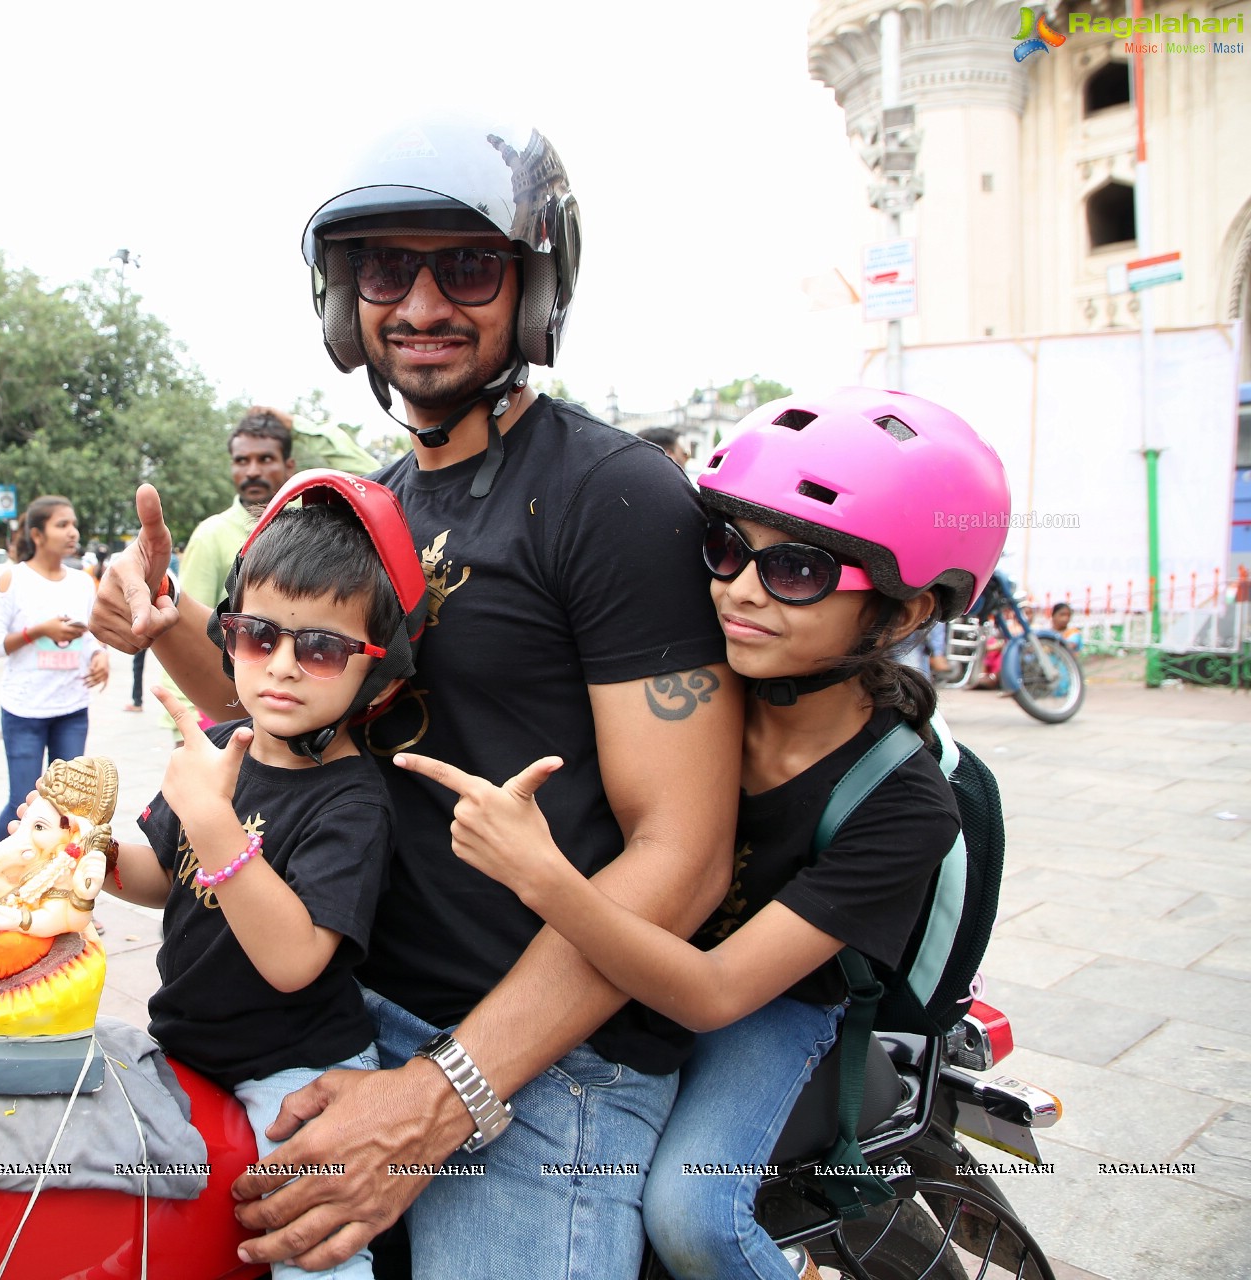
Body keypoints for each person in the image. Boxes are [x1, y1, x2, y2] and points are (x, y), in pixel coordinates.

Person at [93, 122, 741, 1278]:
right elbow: (291, 703)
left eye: (469, 267)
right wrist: (176, 631)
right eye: (388, 269)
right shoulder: (372, 504)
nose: (423, 302)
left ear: (536, 286)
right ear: (347, 300)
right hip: (348, 1007)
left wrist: (450, 1091)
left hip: (551, 1054)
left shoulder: (615, 497)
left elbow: (682, 855)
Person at [403, 386, 1006, 1280]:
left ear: (907, 610)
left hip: (769, 1001)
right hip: (638, 957)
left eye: (797, 571)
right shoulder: (707, 688)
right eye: (725, 551)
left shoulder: (904, 802)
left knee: (693, 1211)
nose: (740, 592)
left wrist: (545, 879)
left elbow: (716, 993)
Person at [103, 474, 424, 1280]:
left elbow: (294, 958)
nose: (281, 667)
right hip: (187, 1043)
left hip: (296, 1072)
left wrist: (215, 825)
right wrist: (94, 858)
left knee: (315, 1256)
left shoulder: (353, 800)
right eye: (257, 636)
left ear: (375, 673)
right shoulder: (220, 750)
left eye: (320, 648)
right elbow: (163, 878)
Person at [156, 408, 299, 728]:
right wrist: (183, 723)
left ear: (289, 466)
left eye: (265, 459)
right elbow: (175, 624)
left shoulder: (311, 527)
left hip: (295, 708)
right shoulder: (211, 535)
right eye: (241, 461)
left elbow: (377, 477)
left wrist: (299, 425)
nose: (252, 471)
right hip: (220, 710)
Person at [0, 495, 109, 844]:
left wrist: (101, 655)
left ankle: (49, 881)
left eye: (73, 524)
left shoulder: (83, 582)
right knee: (24, 804)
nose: (72, 532)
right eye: (61, 524)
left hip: (71, 709)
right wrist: (39, 631)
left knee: (67, 806)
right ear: (37, 535)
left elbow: (93, 635)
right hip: (25, 711)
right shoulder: (12, 580)